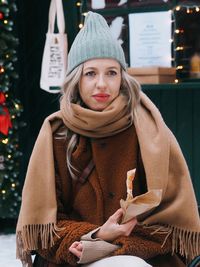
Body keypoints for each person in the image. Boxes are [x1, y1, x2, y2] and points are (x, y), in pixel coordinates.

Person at [16, 11, 200, 267]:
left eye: (111, 73)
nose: (101, 84)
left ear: (122, 79)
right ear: (75, 79)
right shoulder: (55, 134)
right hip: (71, 255)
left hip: (143, 255)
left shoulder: (150, 131)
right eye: (90, 73)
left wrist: (117, 246)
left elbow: (171, 225)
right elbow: (45, 230)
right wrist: (97, 235)